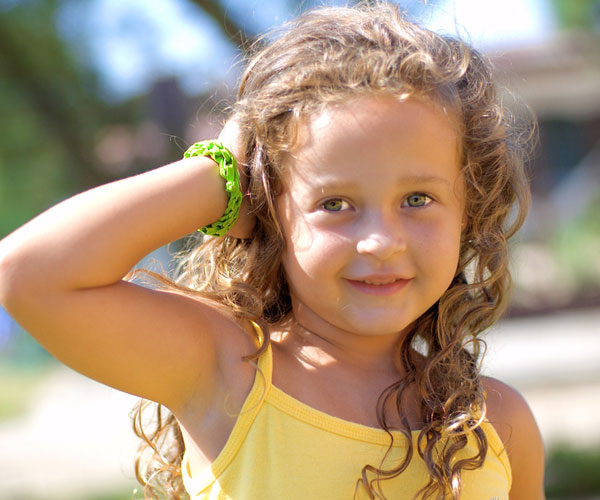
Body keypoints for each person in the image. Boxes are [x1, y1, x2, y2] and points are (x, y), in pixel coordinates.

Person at [0, 3, 545, 499]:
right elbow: (26, 274)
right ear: (271, 212)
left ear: (469, 212)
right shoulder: (227, 370)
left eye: (418, 199)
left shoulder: (498, 423)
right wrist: (222, 176)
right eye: (335, 203)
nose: (380, 241)